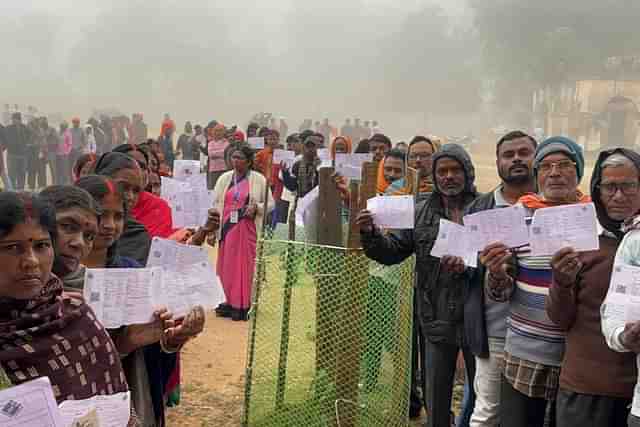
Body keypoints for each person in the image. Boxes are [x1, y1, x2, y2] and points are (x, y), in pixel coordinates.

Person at [357, 143, 479, 427]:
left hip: (478, 323)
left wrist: (472, 266)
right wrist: (371, 235)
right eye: (443, 171)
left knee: (483, 401)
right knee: (435, 402)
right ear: (435, 176)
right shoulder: (422, 213)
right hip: (434, 320)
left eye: (455, 170)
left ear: (467, 173)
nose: (449, 176)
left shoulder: (485, 208)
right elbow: (392, 251)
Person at [0, 191, 139, 425]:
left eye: (42, 245)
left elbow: (120, 407)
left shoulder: (76, 317)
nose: (32, 261)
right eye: (13, 247)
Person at [482, 136, 588, 427]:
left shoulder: (594, 219)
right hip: (524, 354)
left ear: (578, 171)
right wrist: (497, 273)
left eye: (564, 165)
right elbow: (500, 294)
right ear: (537, 174)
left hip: (576, 358)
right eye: (546, 166)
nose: (555, 172)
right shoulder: (518, 216)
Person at [546, 149, 640, 427]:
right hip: (587, 390)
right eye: (610, 187)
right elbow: (560, 319)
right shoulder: (582, 239)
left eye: (629, 186)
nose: (619, 196)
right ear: (597, 190)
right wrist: (561, 281)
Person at [462, 131, 537, 427]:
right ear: (497, 162)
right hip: (494, 330)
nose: (516, 158)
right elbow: (468, 268)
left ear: (536, 157)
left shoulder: (554, 208)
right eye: (509, 154)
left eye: (524, 152)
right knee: (487, 413)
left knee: (533, 414)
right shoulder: (479, 209)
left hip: (541, 334)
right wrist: (464, 265)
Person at [212, 145, 274, 321]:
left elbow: (271, 204)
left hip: (247, 229)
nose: (235, 161)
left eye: (239, 158)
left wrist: (257, 207)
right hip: (227, 228)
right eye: (234, 157)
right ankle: (226, 302)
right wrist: (212, 229)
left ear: (248, 162)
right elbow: (215, 202)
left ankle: (243, 304)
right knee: (226, 265)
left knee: (246, 266)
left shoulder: (259, 180)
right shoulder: (224, 179)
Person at [93, 152, 152, 265]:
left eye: (136, 191)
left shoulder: (136, 235)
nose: (130, 197)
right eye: (123, 187)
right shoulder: (76, 226)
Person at [4, 112, 32, 190]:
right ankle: (12, 190)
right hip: (12, 154)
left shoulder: (25, 128)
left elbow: (30, 136)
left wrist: (26, 145)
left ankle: (21, 189)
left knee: (22, 173)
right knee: (12, 174)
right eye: (13, 119)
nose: (14, 121)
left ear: (19, 120)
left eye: (15, 119)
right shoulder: (8, 128)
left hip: (23, 155)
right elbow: (5, 140)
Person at [206, 123, 230, 190]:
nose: (218, 133)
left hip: (224, 169)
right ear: (213, 132)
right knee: (213, 190)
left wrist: (216, 152)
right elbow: (210, 154)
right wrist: (221, 152)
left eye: (220, 131)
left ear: (223, 132)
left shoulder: (227, 142)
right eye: (216, 131)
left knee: (224, 189)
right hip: (213, 170)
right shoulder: (210, 143)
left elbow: (226, 153)